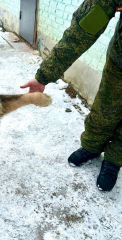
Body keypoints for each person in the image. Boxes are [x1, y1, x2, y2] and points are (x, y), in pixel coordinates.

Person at [21, 0, 122, 192]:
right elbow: (82, 30)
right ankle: (92, 146)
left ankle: (115, 159)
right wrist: (44, 75)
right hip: (120, 63)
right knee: (104, 110)